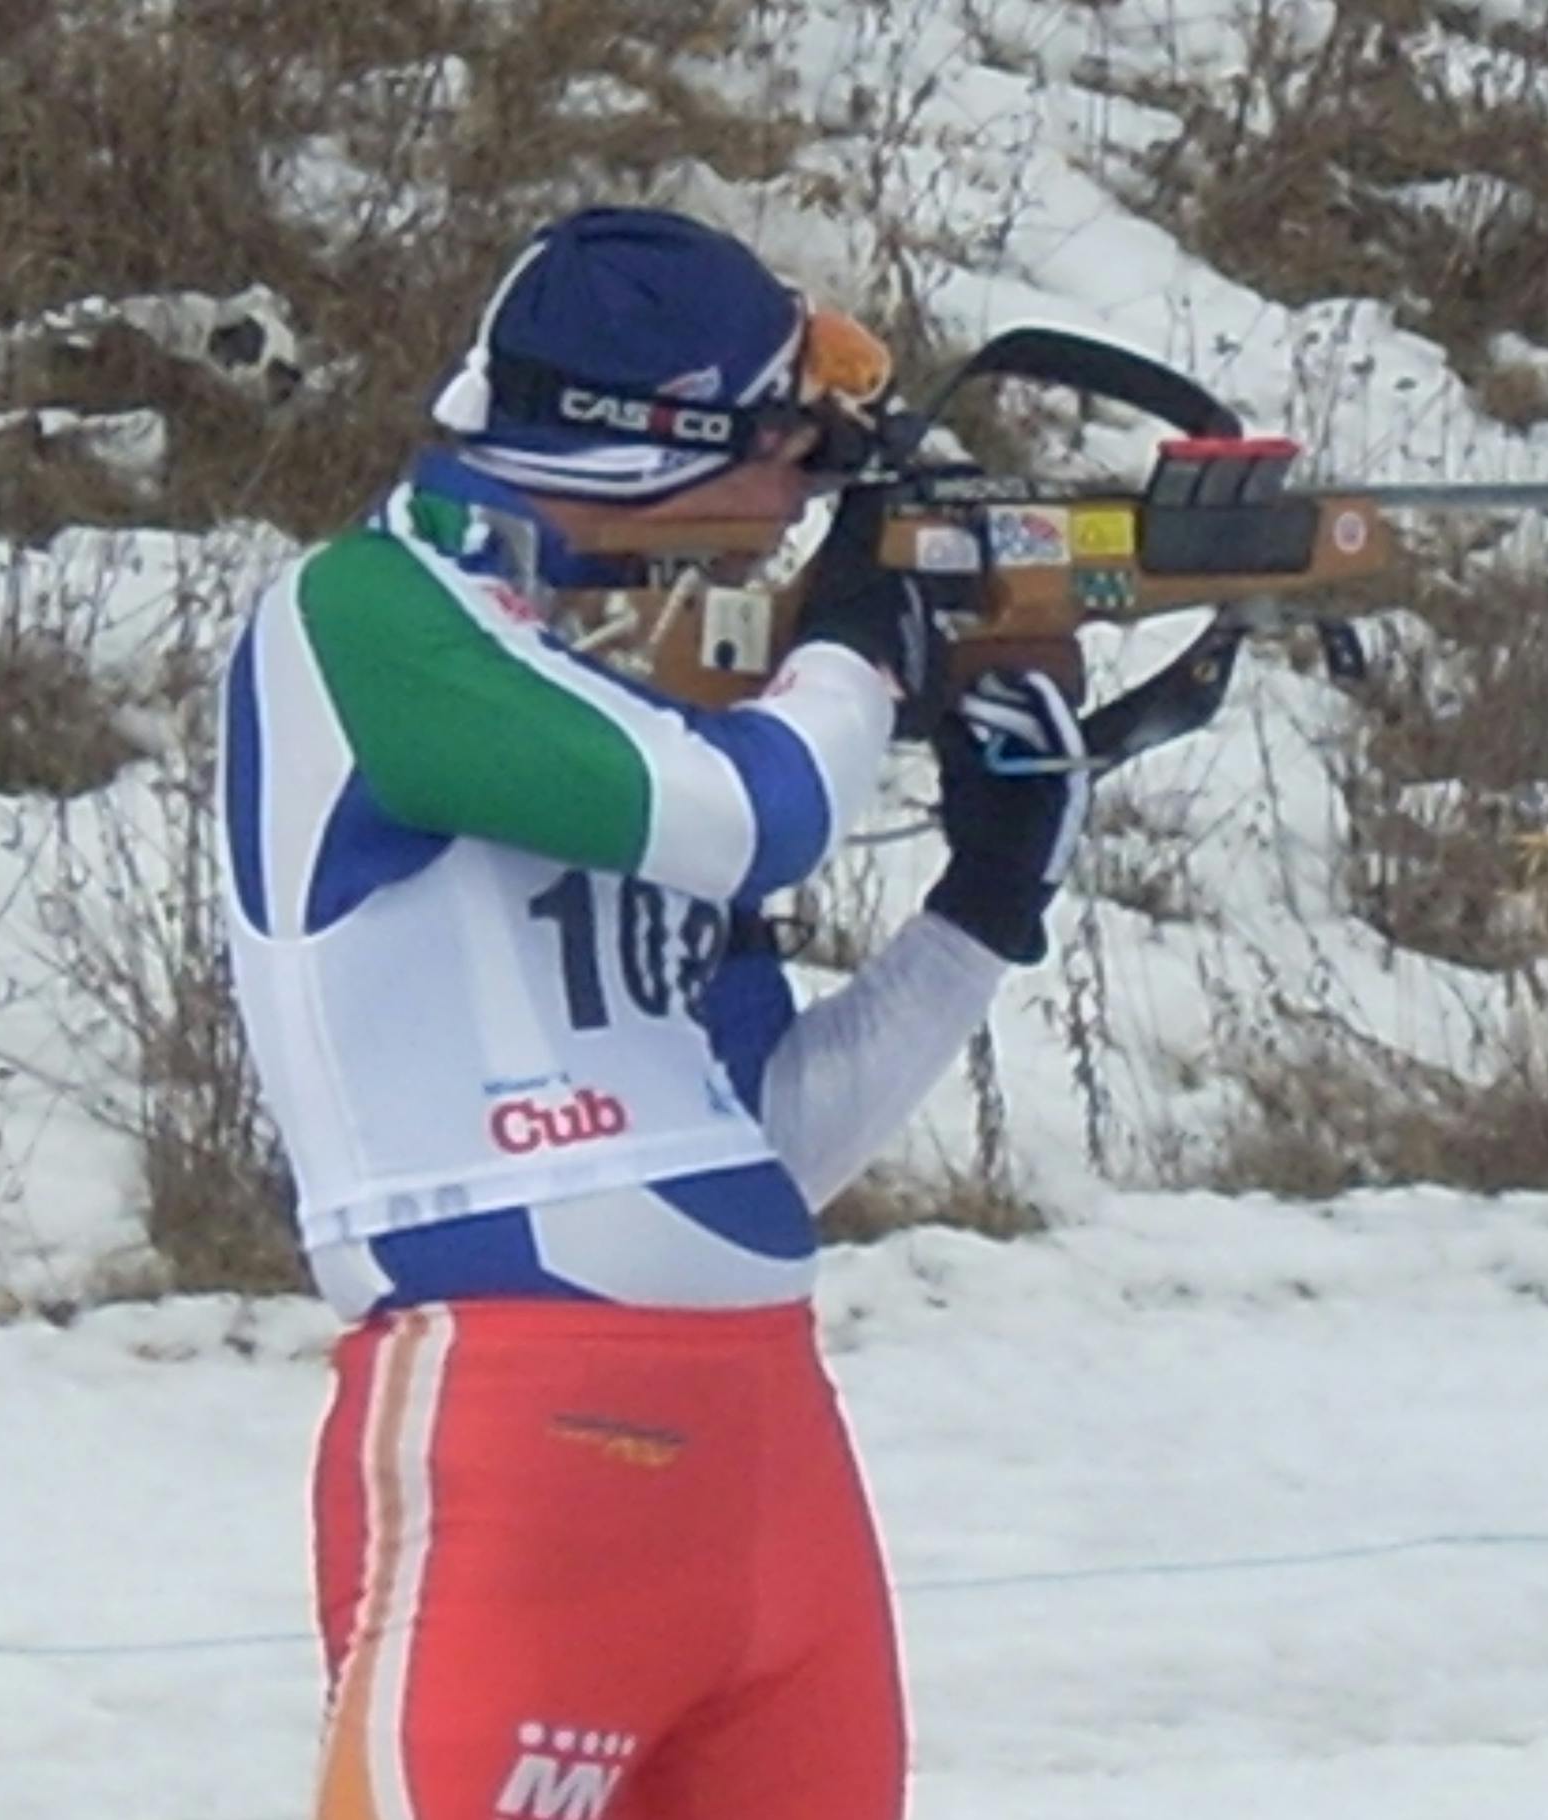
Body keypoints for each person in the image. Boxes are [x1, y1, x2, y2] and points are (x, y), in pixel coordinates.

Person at [216, 206, 1090, 1820]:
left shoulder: (610, 696)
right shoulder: (357, 616)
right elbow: (757, 816)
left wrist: (988, 902)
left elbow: (759, 1153)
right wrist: (855, 649)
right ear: (653, 436)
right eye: (785, 437)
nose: (811, 478)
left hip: (766, 1444)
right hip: (517, 1421)